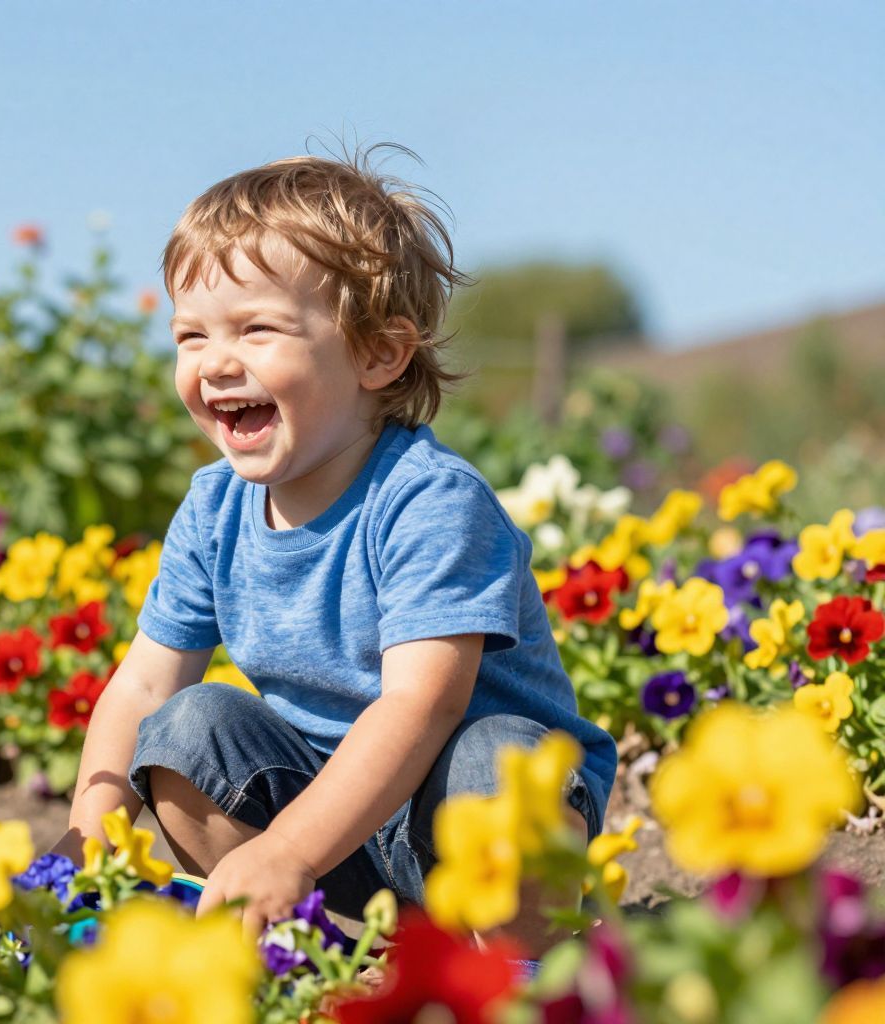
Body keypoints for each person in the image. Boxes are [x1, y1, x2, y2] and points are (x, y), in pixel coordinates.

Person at [48, 147, 617, 956]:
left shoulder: (428, 501)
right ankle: (300, 950)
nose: (215, 362)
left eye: (256, 328)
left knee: (498, 766)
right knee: (184, 730)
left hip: (464, 808)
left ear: (378, 354)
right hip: (325, 819)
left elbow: (424, 706)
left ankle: (518, 967)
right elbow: (143, 680)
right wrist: (87, 839)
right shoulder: (215, 507)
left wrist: (286, 850)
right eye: (191, 334)